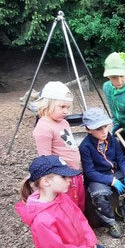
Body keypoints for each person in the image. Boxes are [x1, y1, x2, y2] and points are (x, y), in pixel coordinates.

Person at [16, 155, 108, 248]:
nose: (70, 179)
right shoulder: (42, 220)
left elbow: (80, 219)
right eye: (63, 177)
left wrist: (91, 242)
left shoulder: (62, 197)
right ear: (46, 182)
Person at [79, 108, 125, 239]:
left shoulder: (112, 140)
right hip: (98, 178)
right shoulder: (85, 146)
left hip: (115, 172)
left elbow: (121, 159)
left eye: (105, 127)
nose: (104, 131)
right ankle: (111, 222)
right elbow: (89, 172)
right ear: (88, 129)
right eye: (99, 129)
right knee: (99, 196)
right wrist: (111, 181)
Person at [32, 81, 85, 211]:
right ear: (47, 104)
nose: (66, 111)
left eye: (68, 107)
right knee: (68, 206)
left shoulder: (64, 122)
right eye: (62, 107)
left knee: (79, 204)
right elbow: (46, 160)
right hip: (62, 177)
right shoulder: (44, 128)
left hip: (75, 174)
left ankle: (80, 223)